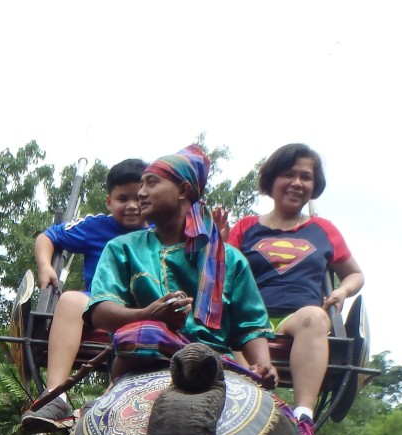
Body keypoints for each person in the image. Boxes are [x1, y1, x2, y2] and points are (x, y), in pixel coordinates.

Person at [88, 144, 278, 387]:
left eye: (151, 183)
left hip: (214, 365)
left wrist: (263, 365)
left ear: (183, 190)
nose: (141, 193)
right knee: (145, 334)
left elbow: (250, 326)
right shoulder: (122, 248)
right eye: (142, 184)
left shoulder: (230, 259)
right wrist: (148, 316)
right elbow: (100, 311)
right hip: (140, 359)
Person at [220, 143, 365, 435]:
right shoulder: (246, 228)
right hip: (250, 318)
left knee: (315, 317)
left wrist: (341, 291)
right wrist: (218, 241)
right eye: (289, 175)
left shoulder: (323, 230)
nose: (298, 183)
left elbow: (355, 274)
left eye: (306, 177)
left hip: (295, 319)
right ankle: (249, 405)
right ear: (272, 180)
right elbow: (221, 271)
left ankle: (302, 417)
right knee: (225, 321)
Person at [20, 158, 147, 434]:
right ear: (108, 201)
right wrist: (44, 266)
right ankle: (57, 396)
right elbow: (48, 237)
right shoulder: (95, 227)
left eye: (138, 197)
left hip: (143, 308)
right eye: (122, 198)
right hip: (100, 302)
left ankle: (118, 398)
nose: (132, 205)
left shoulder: (161, 231)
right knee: (70, 300)